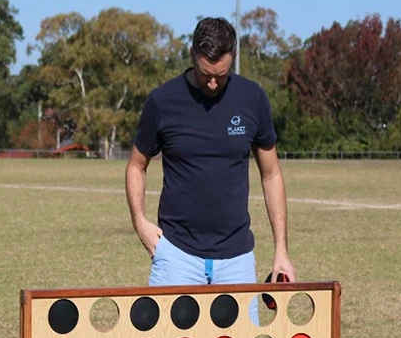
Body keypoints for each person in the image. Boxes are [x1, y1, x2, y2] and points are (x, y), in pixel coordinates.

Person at [125, 16, 295, 290]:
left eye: (221, 75)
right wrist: (139, 222)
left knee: (240, 324)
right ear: (192, 54)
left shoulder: (252, 98)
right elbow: (136, 165)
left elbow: (271, 174)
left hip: (237, 259)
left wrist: (281, 251)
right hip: (176, 256)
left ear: (234, 55)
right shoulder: (162, 101)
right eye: (206, 74)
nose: (213, 84)